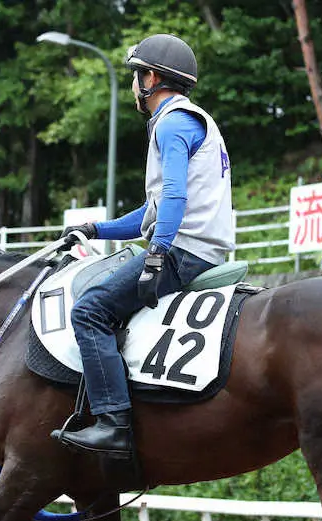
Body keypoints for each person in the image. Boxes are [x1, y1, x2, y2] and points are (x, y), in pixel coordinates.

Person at [52, 33, 235, 459]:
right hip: (194, 245)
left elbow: (173, 199)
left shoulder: (172, 122)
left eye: (136, 77)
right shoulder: (184, 120)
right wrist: (96, 229)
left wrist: (158, 253)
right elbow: (151, 213)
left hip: (184, 251)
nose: (134, 87)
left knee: (90, 310)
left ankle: (114, 423)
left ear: (151, 78)